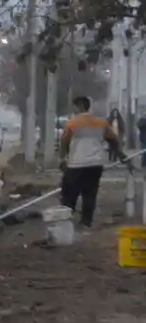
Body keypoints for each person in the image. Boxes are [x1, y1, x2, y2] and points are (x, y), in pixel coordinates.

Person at [58, 95, 119, 230]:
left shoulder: (73, 123)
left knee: (69, 192)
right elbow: (114, 139)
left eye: (75, 107)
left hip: (76, 164)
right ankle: (86, 222)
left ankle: (66, 219)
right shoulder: (101, 123)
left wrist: (62, 158)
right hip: (95, 164)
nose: (74, 110)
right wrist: (116, 154)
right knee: (90, 194)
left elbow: (64, 142)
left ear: (79, 106)